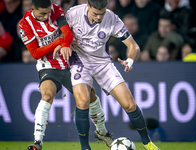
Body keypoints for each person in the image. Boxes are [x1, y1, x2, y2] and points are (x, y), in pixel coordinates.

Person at [61, 0, 160, 149]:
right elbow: (57, 33)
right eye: (95, 14)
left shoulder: (112, 18)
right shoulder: (73, 14)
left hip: (103, 65)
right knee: (82, 103)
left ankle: (147, 143)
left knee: (130, 104)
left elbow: (134, 46)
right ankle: (85, 147)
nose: (99, 18)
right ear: (88, 7)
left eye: (102, 14)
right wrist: (66, 41)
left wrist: (131, 60)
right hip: (80, 63)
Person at [18, 0, 113, 150]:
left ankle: (102, 132)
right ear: (32, 9)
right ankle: (37, 142)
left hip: (70, 63)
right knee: (47, 95)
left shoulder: (56, 10)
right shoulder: (25, 24)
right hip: (48, 66)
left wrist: (64, 43)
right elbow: (35, 53)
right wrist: (59, 42)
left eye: (48, 12)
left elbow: (68, 32)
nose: (46, 16)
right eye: (42, 14)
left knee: (91, 96)